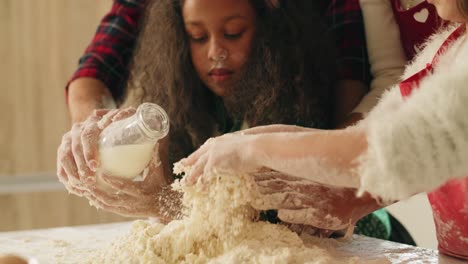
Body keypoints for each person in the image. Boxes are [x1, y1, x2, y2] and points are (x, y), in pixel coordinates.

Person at [58, 0, 406, 242]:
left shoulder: (311, 85)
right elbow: (96, 69)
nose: (215, 52)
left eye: (235, 32)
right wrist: (98, 133)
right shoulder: (198, 105)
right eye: (196, 37)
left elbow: (332, 176)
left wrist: (166, 204)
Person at [182, 0, 468, 259]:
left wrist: (251, 149)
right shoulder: (451, 44)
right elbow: (383, 131)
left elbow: (395, 148)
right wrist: (352, 199)